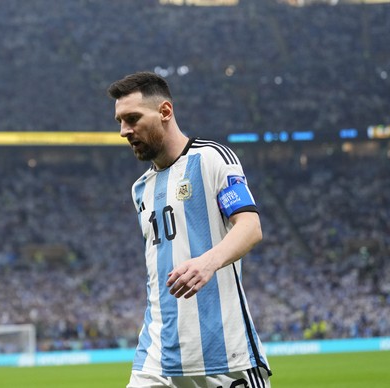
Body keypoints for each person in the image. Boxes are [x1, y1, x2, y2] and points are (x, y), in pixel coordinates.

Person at [108, 72, 272, 388]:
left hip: (223, 354)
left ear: (165, 112)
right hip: (157, 356)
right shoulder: (140, 189)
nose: (123, 131)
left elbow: (250, 227)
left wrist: (207, 262)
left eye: (132, 118)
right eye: (120, 121)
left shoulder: (212, 158)